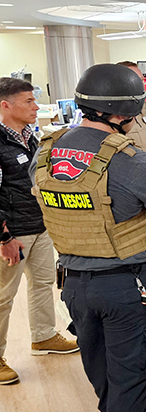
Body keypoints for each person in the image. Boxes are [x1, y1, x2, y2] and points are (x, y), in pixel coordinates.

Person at [32, 63, 146, 412]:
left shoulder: (46, 152)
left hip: (73, 283)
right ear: (123, 113)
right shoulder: (135, 161)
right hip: (130, 287)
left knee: (100, 367)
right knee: (133, 375)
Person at [0, 77, 79, 387]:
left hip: (39, 225)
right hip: (12, 233)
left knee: (43, 283)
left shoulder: (31, 137)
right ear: (6, 105)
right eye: (29, 102)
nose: (36, 107)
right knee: (4, 298)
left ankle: (44, 336)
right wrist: (4, 238)